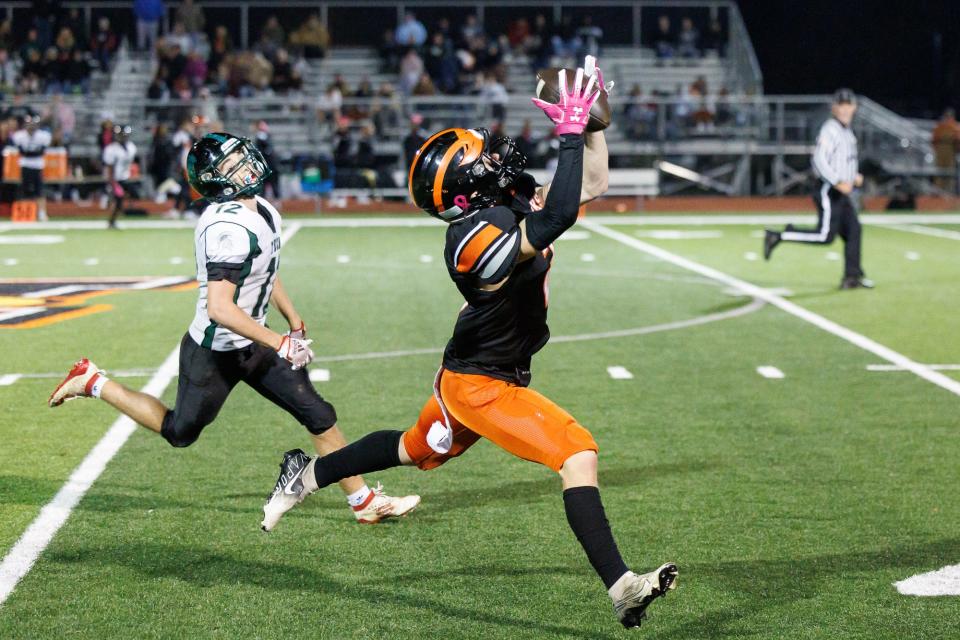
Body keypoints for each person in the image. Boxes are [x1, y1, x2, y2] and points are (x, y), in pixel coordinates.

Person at [261, 58, 678, 629]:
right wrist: (571, 132)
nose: (496, 156)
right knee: (577, 452)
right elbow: (555, 218)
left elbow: (593, 185)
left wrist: (595, 122)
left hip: (472, 375)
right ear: (467, 186)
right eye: (482, 157)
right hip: (484, 385)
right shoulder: (471, 237)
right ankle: (622, 586)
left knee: (413, 450)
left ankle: (303, 477)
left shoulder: (502, 204)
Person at [48, 132, 420, 524]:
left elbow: (265, 272)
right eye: (231, 165)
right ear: (215, 179)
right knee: (180, 432)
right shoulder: (227, 228)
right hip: (215, 350)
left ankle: (362, 502)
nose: (245, 165)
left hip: (255, 341)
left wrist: (294, 320)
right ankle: (93, 381)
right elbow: (220, 308)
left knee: (318, 414)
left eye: (241, 157)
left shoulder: (262, 209)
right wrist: (279, 342)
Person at [764, 89, 873, 289]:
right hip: (828, 190)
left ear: (854, 107)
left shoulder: (846, 131)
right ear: (834, 108)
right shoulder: (830, 130)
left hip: (840, 192)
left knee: (854, 230)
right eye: (841, 105)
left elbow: (843, 160)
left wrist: (853, 176)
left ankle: (852, 276)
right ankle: (779, 236)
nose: (845, 109)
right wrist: (838, 181)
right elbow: (820, 160)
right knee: (825, 236)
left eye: (848, 105)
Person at [11, 113, 52, 220]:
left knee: (39, 190)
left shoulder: (43, 136)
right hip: (25, 166)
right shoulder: (19, 136)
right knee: (24, 191)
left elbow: (40, 152)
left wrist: (30, 152)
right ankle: (25, 213)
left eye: (33, 124)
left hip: (38, 166)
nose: (31, 127)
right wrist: (32, 152)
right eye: (29, 124)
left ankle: (42, 212)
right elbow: (22, 152)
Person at [102, 124, 138, 229]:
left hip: (124, 177)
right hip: (115, 178)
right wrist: (112, 183)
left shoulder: (131, 147)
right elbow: (110, 168)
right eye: (120, 135)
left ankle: (112, 219)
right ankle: (111, 221)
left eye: (124, 135)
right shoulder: (111, 149)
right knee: (118, 200)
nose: (122, 137)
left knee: (127, 198)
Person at [931, 108, 960, 191]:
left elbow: (957, 140)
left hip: (950, 150)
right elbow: (934, 139)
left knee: (948, 171)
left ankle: (946, 190)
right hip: (943, 149)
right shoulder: (941, 126)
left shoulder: (953, 126)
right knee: (940, 171)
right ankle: (939, 190)